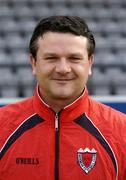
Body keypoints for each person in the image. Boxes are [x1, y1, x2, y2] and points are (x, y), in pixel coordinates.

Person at [0, 15, 126, 180]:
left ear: (89, 63)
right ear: (33, 63)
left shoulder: (122, 131)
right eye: (51, 58)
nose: (63, 68)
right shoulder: (2, 126)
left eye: (74, 58)